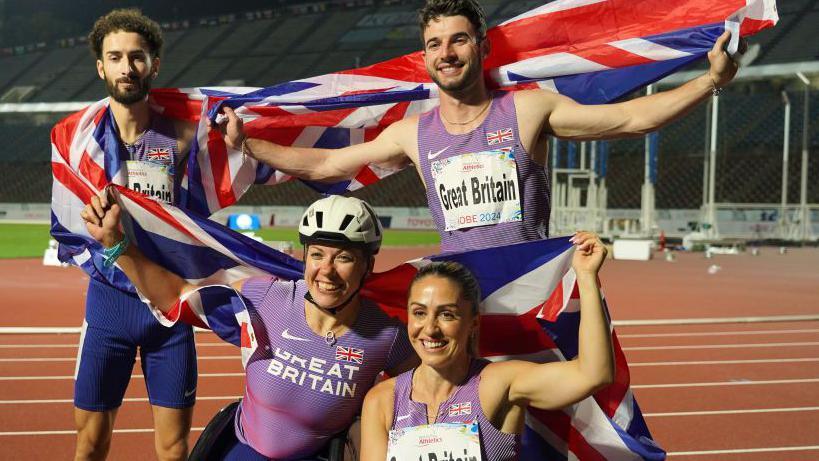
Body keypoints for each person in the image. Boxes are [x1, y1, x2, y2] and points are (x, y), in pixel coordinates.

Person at [219, 0, 743, 253]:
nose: (446, 53)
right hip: (458, 294)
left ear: (482, 46)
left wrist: (710, 82)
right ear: (424, 57)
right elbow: (327, 163)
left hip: (529, 284)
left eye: (459, 40)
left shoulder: (528, 109)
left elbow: (631, 119)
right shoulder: (412, 132)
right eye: (434, 44)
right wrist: (251, 144)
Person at [80, 193, 418, 460]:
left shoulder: (386, 335)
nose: (326, 271)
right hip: (243, 451)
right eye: (317, 254)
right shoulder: (266, 298)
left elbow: (430, 388)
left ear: (367, 265)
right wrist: (115, 243)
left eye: (343, 258)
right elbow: (177, 297)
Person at [60, 9, 197, 461]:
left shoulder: (181, 138)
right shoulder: (76, 143)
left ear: (154, 64)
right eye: (114, 57)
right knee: (91, 444)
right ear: (100, 66)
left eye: (136, 57)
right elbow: (69, 226)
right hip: (109, 307)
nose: (126, 68)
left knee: (174, 449)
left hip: (169, 309)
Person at [359, 232, 611, 460]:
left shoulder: (499, 383)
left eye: (447, 314)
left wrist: (586, 277)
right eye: (419, 313)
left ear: (473, 323)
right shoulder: (382, 401)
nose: (430, 328)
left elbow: (593, 374)